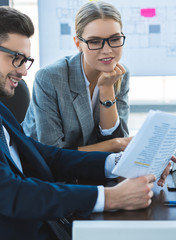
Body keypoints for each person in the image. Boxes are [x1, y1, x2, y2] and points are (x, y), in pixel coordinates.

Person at [0, 6, 176, 240]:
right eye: (15, 58)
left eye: (26, 60)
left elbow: (42, 156)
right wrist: (111, 197)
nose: (23, 71)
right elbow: (11, 193)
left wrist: (118, 163)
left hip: (33, 225)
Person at [23, 1, 131, 152]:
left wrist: (107, 89)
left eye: (114, 39)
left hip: (94, 169)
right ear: (78, 43)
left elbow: (118, 145)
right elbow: (52, 152)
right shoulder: (50, 78)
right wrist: (114, 144)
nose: (107, 50)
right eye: (94, 41)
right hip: (45, 171)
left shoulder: (120, 74)